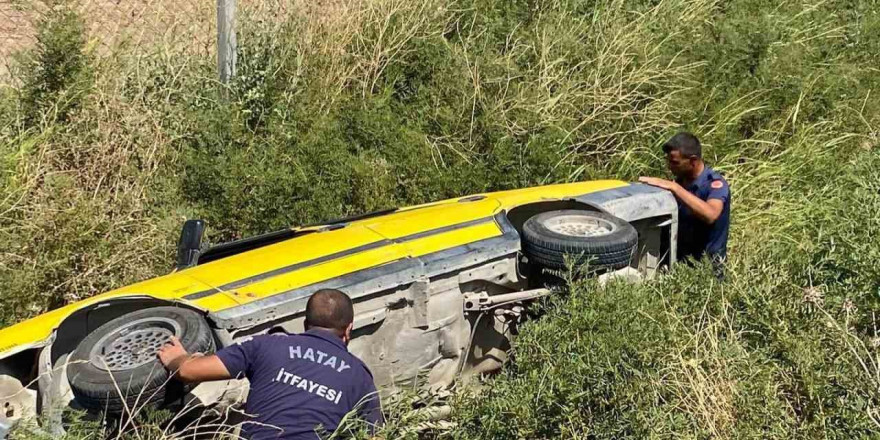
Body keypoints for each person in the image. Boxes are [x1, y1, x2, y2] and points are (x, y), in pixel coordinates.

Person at [158, 289, 383, 439]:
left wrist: (176, 356)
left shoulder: (267, 345)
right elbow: (376, 435)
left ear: (306, 324)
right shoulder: (360, 377)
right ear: (349, 329)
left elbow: (187, 371)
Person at [639, 132, 730, 278]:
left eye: (675, 162)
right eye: (668, 161)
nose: (670, 167)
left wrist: (675, 188)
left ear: (693, 161)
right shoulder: (681, 181)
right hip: (680, 266)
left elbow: (711, 214)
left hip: (708, 271)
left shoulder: (714, 184)